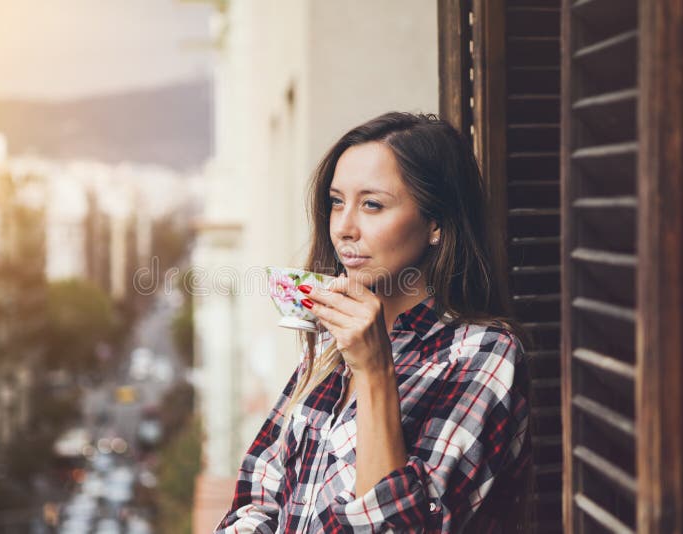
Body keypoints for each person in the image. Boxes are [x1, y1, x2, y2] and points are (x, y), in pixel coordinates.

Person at [214, 112, 533, 533]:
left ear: (436, 223)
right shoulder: (330, 348)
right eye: (336, 202)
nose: (344, 228)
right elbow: (256, 500)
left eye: (372, 205)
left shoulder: (484, 354)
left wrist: (375, 372)